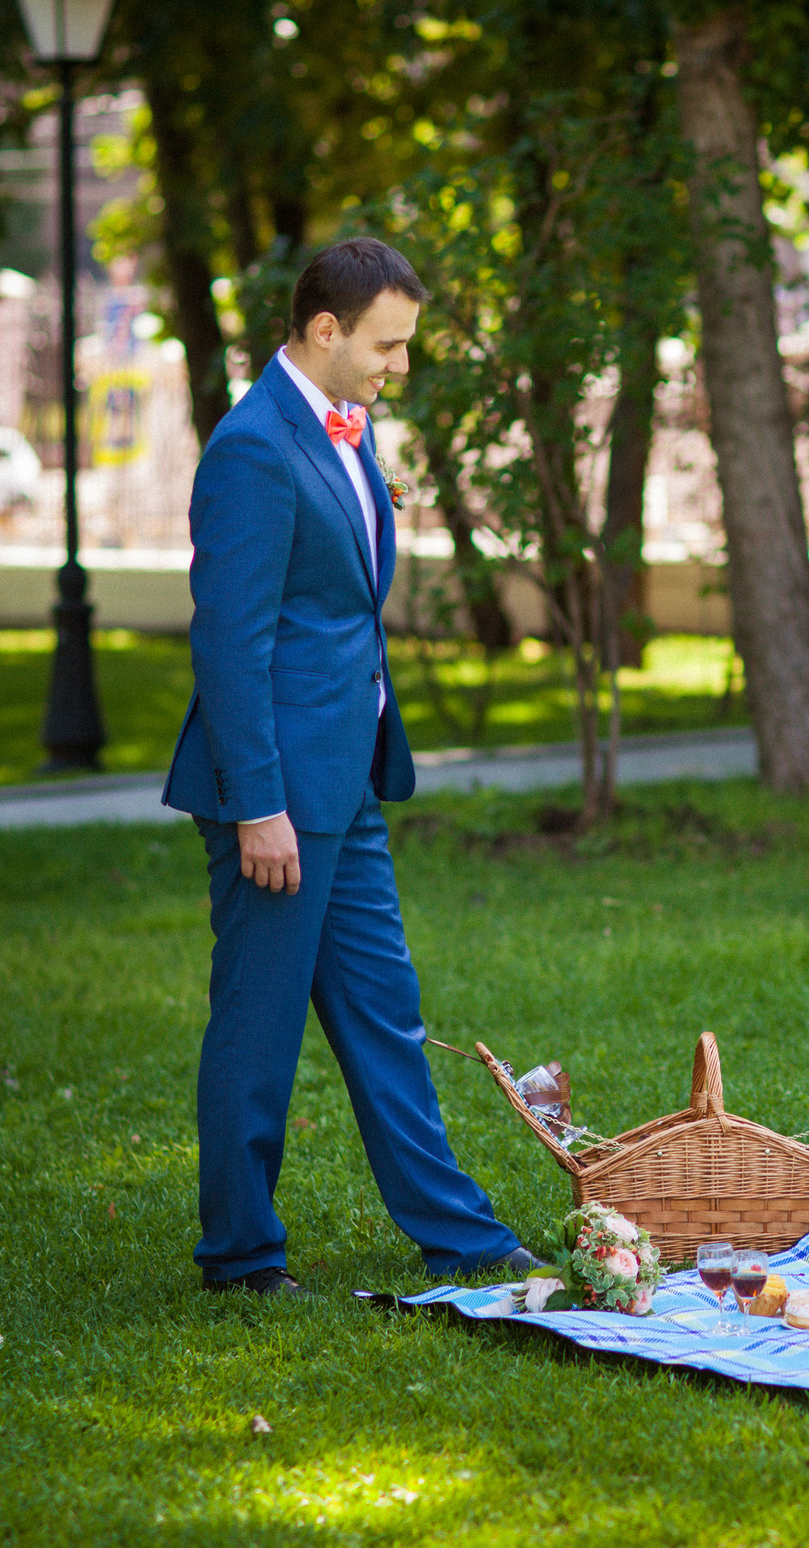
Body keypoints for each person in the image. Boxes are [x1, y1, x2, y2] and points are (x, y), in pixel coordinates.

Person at [163, 237, 535, 1293]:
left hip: (348, 780)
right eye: (387, 345)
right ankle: (239, 1257)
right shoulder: (252, 448)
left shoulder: (344, 429)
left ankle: (462, 1237)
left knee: (386, 1017)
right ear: (324, 330)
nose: (398, 367)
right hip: (277, 798)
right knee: (259, 1027)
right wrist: (257, 806)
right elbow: (229, 640)